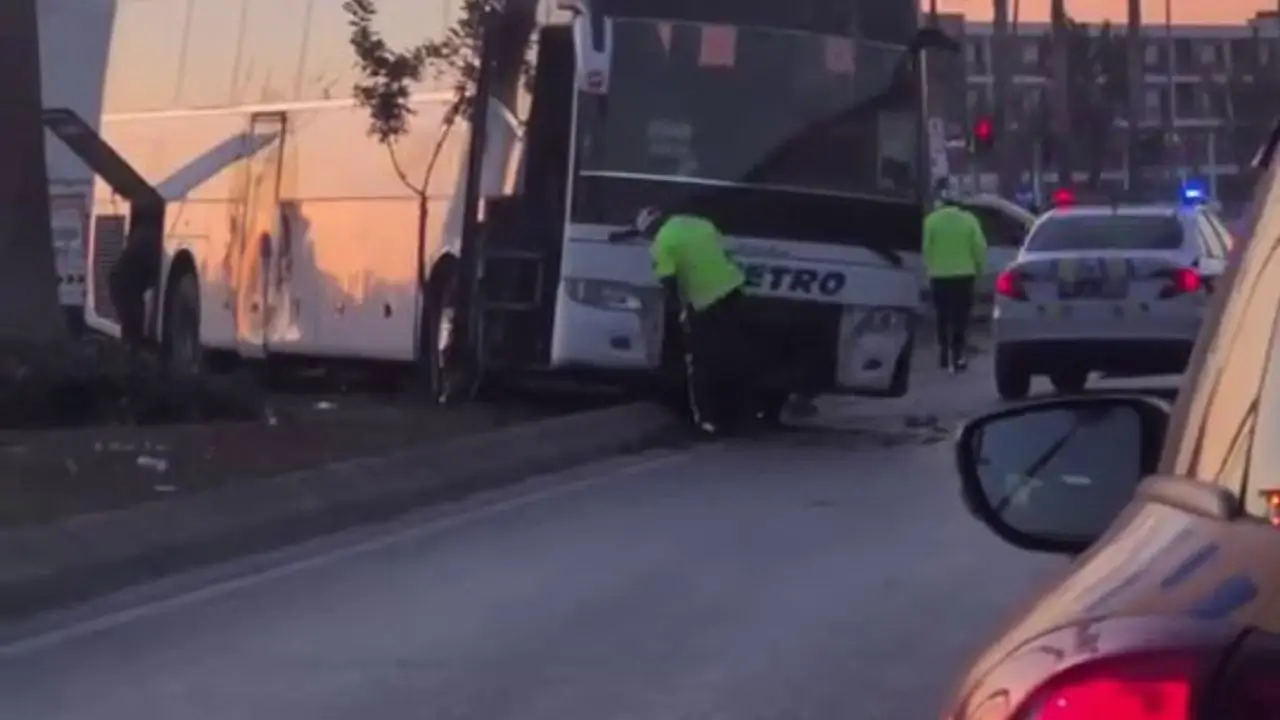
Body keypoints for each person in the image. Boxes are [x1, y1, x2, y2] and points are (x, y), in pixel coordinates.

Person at [632, 206, 757, 436]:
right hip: (734, 293)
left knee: (701, 362)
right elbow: (725, 250)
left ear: (650, 231)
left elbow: (669, 282)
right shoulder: (698, 222)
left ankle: (707, 421)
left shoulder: (662, 243)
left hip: (706, 302)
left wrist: (681, 312)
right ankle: (746, 414)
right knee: (736, 355)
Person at [923, 180, 987, 372]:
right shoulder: (969, 220)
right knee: (961, 316)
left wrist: (930, 267)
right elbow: (980, 248)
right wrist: (979, 269)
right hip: (964, 275)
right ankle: (958, 353)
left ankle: (943, 351)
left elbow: (926, 248)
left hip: (939, 276)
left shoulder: (931, 220)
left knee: (942, 315)